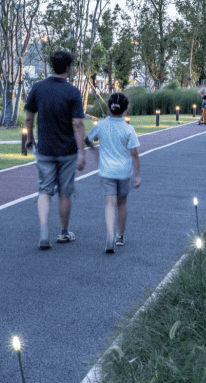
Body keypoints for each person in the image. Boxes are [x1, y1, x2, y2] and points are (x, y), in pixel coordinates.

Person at [24, 49, 87, 249]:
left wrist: (30, 138)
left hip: (44, 149)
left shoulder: (38, 88)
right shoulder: (72, 92)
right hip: (67, 151)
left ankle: (44, 232)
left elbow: (29, 117)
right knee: (64, 193)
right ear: (69, 68)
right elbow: (77, 123)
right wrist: (82, 152)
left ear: (52, 66)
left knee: (44, 190)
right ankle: (63, 233)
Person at [86, 92, 141, 253]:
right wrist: (137, 175)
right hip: (124, 172)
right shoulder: (129, 129)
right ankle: (120, 236)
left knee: (109, 203)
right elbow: (134, 154)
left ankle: (109, 236)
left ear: (109, 107)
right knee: (121, 203)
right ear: (126, 109)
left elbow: (87, 140)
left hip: (106, 171)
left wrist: (94, 149)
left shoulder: (100, 125)